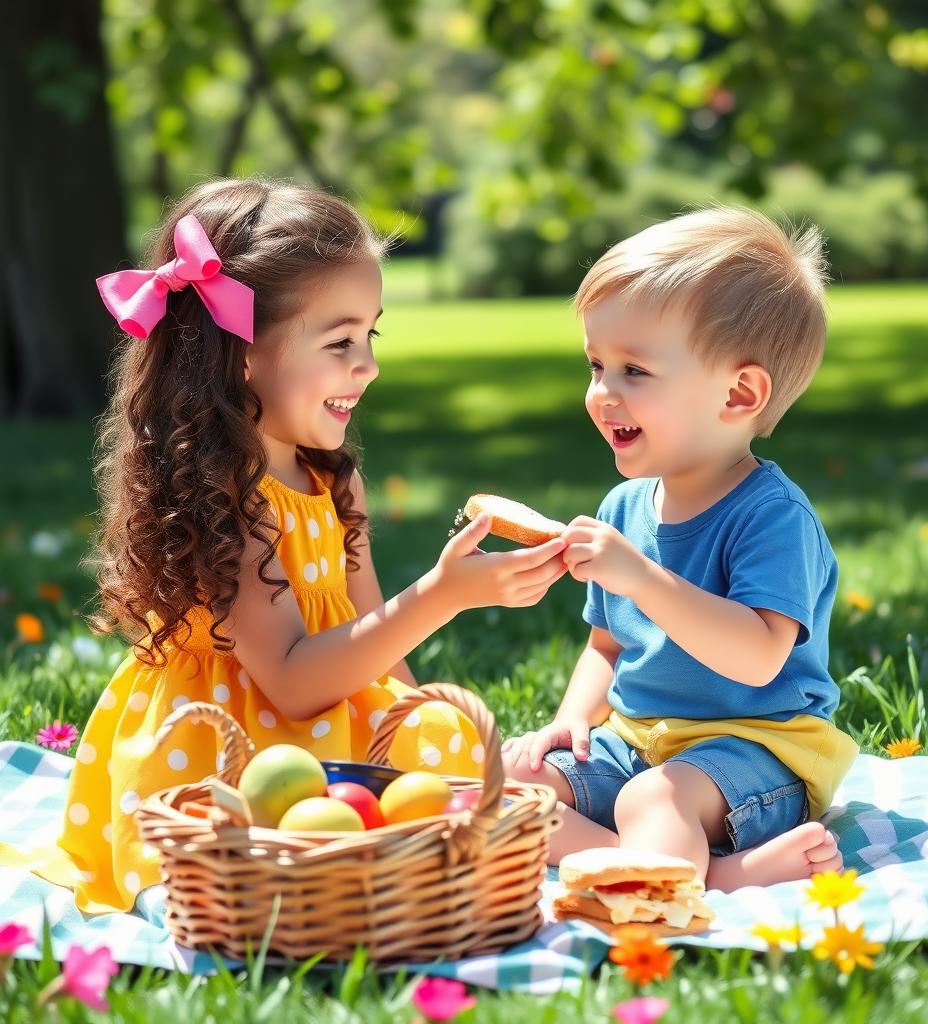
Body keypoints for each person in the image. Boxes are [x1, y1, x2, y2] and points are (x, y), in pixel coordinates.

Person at [9, 177, 566, 913]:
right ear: (241, 356)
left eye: (371, 336)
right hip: (229, 745)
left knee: (466, 754)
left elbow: (379, 649)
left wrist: (421, 714)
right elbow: (293, 683)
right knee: (307, 859)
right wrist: (445, 595)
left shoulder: (334, 479)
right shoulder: (226, 493)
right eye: (340, 342)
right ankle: (649, 859)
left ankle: (636, 850)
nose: (367, 365)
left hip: (334, 715)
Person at [502, 207, 858, 892]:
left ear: (738, 393)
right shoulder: (624, 510)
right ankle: (687, 865)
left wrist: (640, 577)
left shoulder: (771, 518)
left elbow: (756, 658)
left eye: (634, 370)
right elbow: (606, 647)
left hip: (756, 752)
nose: (603, 393)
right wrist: (570, 721)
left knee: (651, 800)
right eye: (597, 364)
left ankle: (701, 872)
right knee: (505, 779)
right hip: (638, 741)